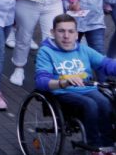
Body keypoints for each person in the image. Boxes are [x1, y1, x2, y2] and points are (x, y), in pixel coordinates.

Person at [35, 14, 116, 152]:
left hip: (88, 89)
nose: (66, 36)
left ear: (76, 34)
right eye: (61, 31)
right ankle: (94, 146)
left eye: (71, 31)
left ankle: (108, 146)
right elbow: (41, 81)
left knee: (105, 102)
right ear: (53, 32)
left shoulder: (82, 49)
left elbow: (105, 64)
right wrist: (63, 83)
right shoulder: (46, 52)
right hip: (62, 92)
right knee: (90, 104)